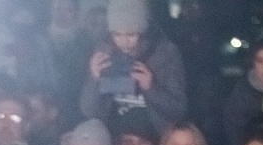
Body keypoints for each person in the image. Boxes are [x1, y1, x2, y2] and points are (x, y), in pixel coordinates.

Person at [77, 0, 186, 132]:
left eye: (131, 34)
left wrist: (151, 88)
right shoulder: (104, 52)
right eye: (116, 34)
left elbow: (178, 110)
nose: (123, 42)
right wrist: (94, 79)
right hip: (114, 136)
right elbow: (88, 111)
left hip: (153, 138)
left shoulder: (165, 54)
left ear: (143, 31)